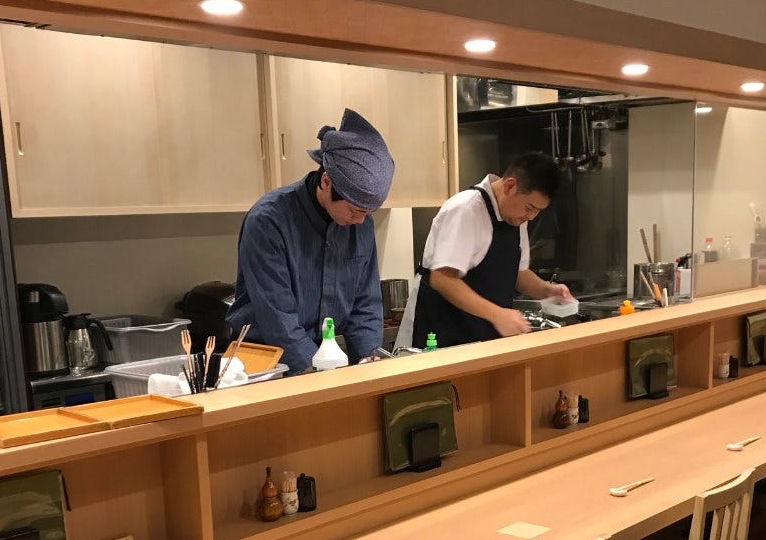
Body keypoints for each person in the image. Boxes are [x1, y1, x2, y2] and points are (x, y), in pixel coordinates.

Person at [229, 108, 394, 372]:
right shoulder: (269, 221)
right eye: (354, 210)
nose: (360, 221)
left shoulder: (361, 224)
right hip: (265, 360)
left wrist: (369, 359)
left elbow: (365, 305)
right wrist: (319, 373)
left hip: (324, 357)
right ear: (326, 182)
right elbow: (278, 319)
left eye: (368, 213)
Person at [405, 151, 572, 350]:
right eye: (529, 208)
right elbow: (442, 279)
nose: (531, 217)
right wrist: (497, 315)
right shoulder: (466, 209)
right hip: (440, 333)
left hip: (483, 338)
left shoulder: (515, 217)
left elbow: (518, 272)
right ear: (510, 186)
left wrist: (547, 290)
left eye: (538, 211)